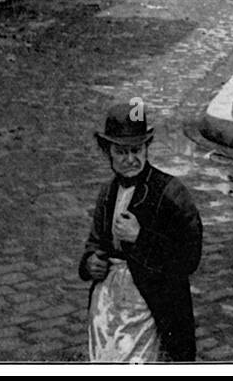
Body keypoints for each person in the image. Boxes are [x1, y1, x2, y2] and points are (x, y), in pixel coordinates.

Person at [79, 101, 203, 363]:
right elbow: (95, 242)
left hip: (154, 305)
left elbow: (189, 257)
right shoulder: (107, 193)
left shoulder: (171, 193)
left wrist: (141, 238)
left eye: (137, 150)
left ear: (147, 148)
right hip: (109, 308)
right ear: (107, 152)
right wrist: (91, 262)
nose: (130, 159)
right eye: (121, 152)